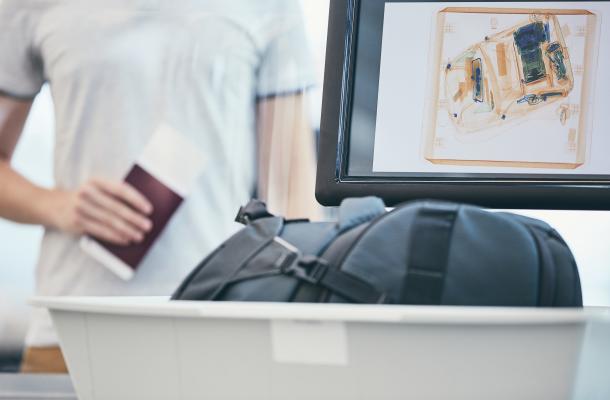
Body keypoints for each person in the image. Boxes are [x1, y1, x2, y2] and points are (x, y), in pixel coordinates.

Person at [0, 0, 320, 373]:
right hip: (73, 331)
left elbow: (292, 194)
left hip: (217, 327)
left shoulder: (270, 7)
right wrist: (58, 206)